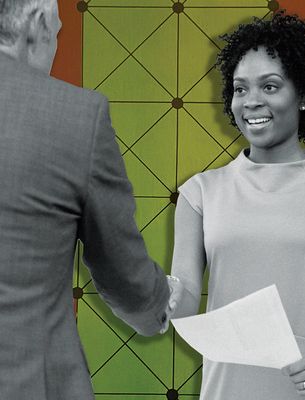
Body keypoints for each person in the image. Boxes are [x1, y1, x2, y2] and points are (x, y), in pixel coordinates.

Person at [171, 12, 305, 400]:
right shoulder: (199, 193)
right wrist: (158, 294)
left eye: (270, 86)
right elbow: (185, 300)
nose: (252, 101)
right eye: (240, 89)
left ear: (304, 95)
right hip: (231, 389)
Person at [0, 0, 181, 398]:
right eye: (59, 33)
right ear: (37, 24)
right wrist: (158, 303)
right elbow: (122, 273)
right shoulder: (76, 116)